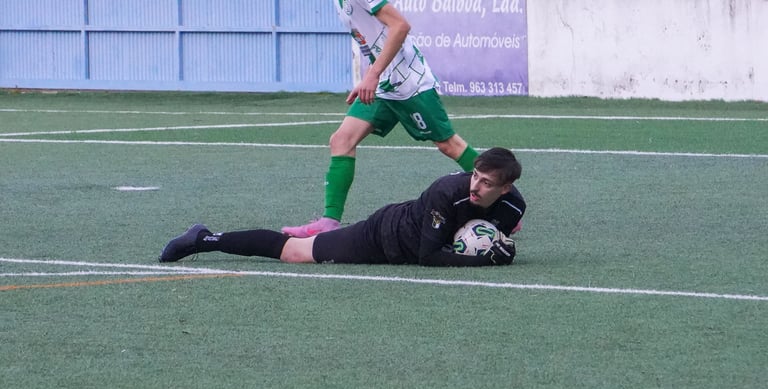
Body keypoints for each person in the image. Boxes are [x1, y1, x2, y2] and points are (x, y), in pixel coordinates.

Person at [281, 0, 481, 238]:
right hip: (383, 83)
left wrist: (373, 74)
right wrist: (370, 75)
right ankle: (329, 221)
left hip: (409, 81)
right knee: (342, 140)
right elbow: (373, 40)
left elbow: (400, 26)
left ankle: (506, 199)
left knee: (448, 145)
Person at [159, 148, 525, 267]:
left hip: (409, 244)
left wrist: (498, 248)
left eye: (486, 183)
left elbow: (486, 237)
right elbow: (428, 255)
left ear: (505, 188)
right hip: (384, 235)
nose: (475, 186)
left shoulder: (513, 207)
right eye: (475, 175)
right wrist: (485, 261)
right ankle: (203, 239)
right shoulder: (446, 192)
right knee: (295, 253)